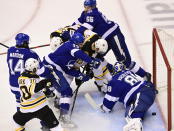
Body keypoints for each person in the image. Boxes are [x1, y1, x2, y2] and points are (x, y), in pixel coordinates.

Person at [73, 0, 151, 81]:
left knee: (124, 61)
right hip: (104, 39)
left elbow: (85, 28)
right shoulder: (86, 13)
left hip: (113, 35)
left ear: (93, 6)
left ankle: (145, 75)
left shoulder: (93, 14)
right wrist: (68, 29)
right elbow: (77, 22)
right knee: (97, 57)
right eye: (85, 6)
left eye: (88, 6)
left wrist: (73, 34)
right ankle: (111, 70)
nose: (86, 8)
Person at [43, 32, 101, 128]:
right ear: (77, 43)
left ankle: (54, 97)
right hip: (51, 68)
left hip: (54, 68)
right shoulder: (70, 46)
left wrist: (81, 75)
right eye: (81, 43)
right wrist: (92, 61)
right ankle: (63, 116)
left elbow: (68, 69)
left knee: (64, 87)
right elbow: (77, 53)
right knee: (66, 91)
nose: (82, 45)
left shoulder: (72, 52)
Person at [100, 62, 157, 131]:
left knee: (131, 116)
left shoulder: (114, 81)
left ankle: (135, 127)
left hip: (140, 95)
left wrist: (103, 107)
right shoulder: (128, 71)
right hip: (150, 89)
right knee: (132, 110)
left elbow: (107, 107)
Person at [13, 58, 64, 131]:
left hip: (25, 109)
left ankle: (19, 128)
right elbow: (34, 89)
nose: (37, 69)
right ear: (33, 69)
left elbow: (39, 89)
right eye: (36, 68)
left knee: (17, 120)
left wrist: (47, 89)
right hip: (41, 108)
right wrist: (44, 83)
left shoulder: (20, 78)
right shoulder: (34, 79)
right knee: (56, 127)